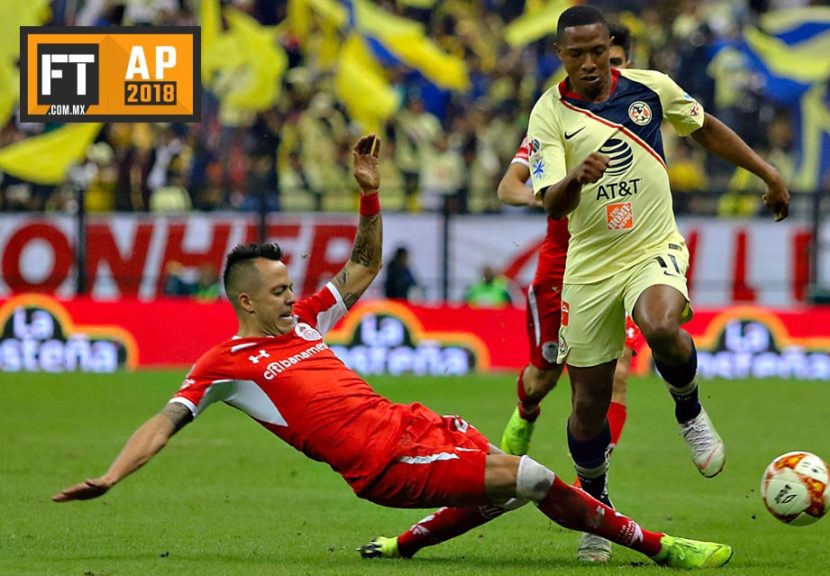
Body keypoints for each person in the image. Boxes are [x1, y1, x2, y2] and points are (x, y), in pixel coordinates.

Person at [51, 133, 731, 571]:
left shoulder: (308, 322)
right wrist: (112, 476)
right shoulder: (226, 365)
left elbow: (362, 269)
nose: (295, 297)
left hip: (410, 425)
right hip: (384, 465)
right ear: (247, 302)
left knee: (509, 487)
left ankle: (403, 546)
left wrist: (369, 195)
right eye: (280, 291)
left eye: (293, 287)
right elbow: (161, 422)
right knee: (533, 481)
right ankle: (662, 548)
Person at [524, 5, 791, 562]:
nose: (591, 63)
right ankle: (596, 509)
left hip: (652, 248)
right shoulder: (549, 115)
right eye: (578, 55)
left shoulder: (651, 89)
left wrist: (766, 172)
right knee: (588, 405)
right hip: (590, 267)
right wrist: (575, 176)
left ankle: (689, 411)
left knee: (660, 322)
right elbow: (552, 203)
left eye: (599, 50)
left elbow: (707, 128)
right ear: (561, 56)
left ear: (610, 45)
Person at [496, 23, 640, 526]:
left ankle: (591, 487)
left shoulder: (641, 120)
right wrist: (551, 192)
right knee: (543, 377)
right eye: (593, 59)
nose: (600, 69)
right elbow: (509, 185)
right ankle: (526, 413)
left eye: (614, 62)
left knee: (614, 375)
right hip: (562, 272)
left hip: (622, 267)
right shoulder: (555, 122)